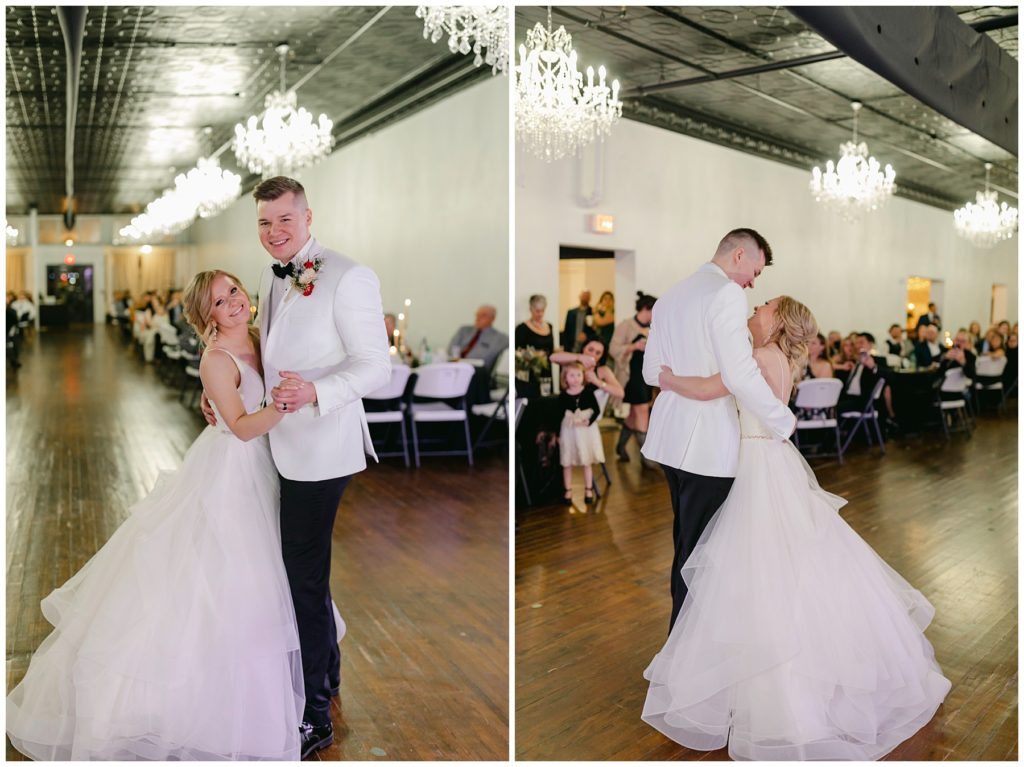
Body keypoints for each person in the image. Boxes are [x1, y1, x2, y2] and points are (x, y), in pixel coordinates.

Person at [6, 270, 306, 760]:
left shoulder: (258, 335)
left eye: (233, 290)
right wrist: (286, 404)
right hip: (233, 471)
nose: (232, 301)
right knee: (225, 575)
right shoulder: (216, 359)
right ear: (205, 315)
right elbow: (243, 427)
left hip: (268, 468)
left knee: (270, 571)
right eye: (218, 299)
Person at [642, 294, 950, 760]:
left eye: (764, 305)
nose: (756, 307)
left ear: (777, 320)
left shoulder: (758, 356)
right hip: (771, 460)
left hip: (756, 465)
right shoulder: (780, 359)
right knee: (786, 562)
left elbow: (709, 388)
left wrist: (665, 378)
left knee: (759, 568)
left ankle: (768, 690)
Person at [200, 176, 390, 758]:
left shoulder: (349, 276)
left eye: (284, 220)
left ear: (309, 217)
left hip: (320, 448)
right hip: (274, 446)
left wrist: (314, 393)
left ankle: (313, 716)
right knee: (303, 574)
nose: (274, 232)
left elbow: (375, 368)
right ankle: (326, 679)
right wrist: (218, 389)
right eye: (264, 222)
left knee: (302, 577)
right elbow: (260, 346)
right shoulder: (268, 275)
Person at [640, 228, 796, 631]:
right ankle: (688, 651)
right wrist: (782, 420)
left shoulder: (670, 296)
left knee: (686, 545)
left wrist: (674, 381)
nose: (753, 282)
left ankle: (682, 641)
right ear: (740, 255)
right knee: (703, 555)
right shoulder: (726, 294)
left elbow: (649, 372)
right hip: (707, 447)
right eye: (756, 271)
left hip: (670, 444)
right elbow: (741, 374)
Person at [610, 292, 657, 465]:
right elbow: (613, 349)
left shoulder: (652, 327)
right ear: (646, 309)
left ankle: (621, 446)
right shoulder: (626, 326)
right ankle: (646, 456)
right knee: (642, 410)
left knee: (634, 413)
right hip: (631, 375)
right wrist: (634, 346)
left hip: (645, 375)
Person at [557, 361, 604, 505]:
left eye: (579, 375)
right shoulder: (563, 396)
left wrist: (587, 421)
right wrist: (557, 435)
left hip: (586, 432)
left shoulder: (588, 393)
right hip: (569, 431)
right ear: (565, 378)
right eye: (572, 375)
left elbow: (596, 410)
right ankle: (568, 490)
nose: (576, 378)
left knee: (587, 461)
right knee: (567, 461)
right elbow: (558, 414)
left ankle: (588, 489)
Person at [550, 338, 625, 401]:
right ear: (583, 348)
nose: (593, 354)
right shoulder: (572, 363)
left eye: (598, 353)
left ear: (601, 356)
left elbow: (620, 393)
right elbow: (552, 357)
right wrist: (579, 357)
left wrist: (597, 381)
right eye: (590, 350)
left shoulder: (603, 370)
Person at [447, 304, 508, 373]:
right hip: (457, 365)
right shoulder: (464, 330)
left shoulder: (501, 339)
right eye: (477, 315)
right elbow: (452, 348)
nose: (478, 318)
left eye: (483, 315)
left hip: (477, 371)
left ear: (493, 318)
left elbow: (486, 358)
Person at [515, 294, 555, 398]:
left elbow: (551, 349)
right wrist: (534, 354)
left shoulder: (549, 326)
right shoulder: (522, 328)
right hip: (529, 371)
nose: (540, 314)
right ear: (531, 309)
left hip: (545, 370)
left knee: (546, 398)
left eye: (542, 310)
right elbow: (516, 351)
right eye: (537, 311)